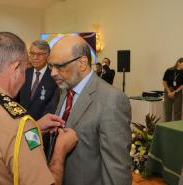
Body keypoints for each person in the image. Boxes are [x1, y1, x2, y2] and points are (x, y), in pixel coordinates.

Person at [0, 32, 78, 185]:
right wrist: (60, 151)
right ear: (15, 69)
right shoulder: (21, 125)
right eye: (24, 70)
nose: (24, 78)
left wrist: (35, 127)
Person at [48, 35, 132, 185]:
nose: (53, 73)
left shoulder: (111, 99)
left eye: (59, 66)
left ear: (82, 63)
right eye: (50, 66)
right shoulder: (65, 90)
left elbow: (116, 169)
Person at [17, 40, 60, 120]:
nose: (35, 58)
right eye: (32, 53)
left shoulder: (54, 77)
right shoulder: (24, 73)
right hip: (21, 124)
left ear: (48, 55)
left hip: (42, 127)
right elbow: (16, 99)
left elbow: (52, 107)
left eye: (39, 54)